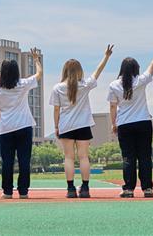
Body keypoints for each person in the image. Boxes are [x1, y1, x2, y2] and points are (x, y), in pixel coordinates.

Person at [108, 39, 153, 198]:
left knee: (128, 157)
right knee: (144, 157)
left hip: (124, 124)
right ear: (136, 69)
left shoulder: (114, 85)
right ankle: (147, 188)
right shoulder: (141, 81)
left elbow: (113, 107)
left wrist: (113, 124)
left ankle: (128, 189)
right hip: (143, 122)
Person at [52, 45, 114, 199]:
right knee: (84, 157)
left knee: (68, 158)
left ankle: (70, 189)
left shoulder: (57, 88)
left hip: (66, 126)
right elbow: (97, 72)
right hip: (83, 125)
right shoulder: (85, 85)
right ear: (79, 71)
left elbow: (56, 110)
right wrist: (106, 56)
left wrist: (56, 126)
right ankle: (85, 188)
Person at [0, 48, 43, 199]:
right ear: (16, 72)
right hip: (24, 127)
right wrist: (36, 60)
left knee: (7, 161)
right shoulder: (23, 84)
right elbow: (39, 74)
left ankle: (7, 191)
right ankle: (23, 191)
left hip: (6, 128)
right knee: (24, 160)